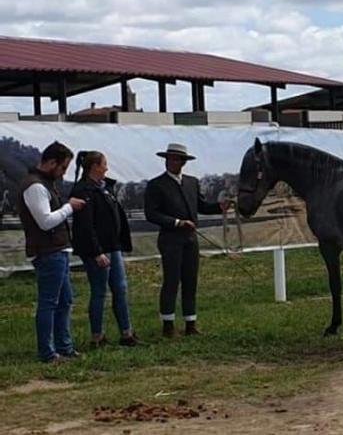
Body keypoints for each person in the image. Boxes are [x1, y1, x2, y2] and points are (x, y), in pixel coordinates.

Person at [144, 143, 228, 338]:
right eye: (168, 158)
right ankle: (168, 325)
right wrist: (177, 222)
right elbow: (152, 214)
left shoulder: (192, 182)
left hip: (190, 239)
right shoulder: (156, 184)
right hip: (170, 238)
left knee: (190, 281)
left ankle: (191, 324)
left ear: (183, 162)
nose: (171, 162)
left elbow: (201, 206)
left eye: (175, 159)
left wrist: (219, 207)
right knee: (171, 281)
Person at [18, 141, 86, 363]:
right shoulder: (36, 186)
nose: (64, 172)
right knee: (49, 302)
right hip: (47, 252)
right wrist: (69, 207)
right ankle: (47, 352)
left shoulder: (44, 183)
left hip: (58, 250)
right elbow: (45, 222)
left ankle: (64, 347)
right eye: (63, 167)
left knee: (65, 301)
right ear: (51, 162)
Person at [70, 151, 139, 348]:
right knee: (100, 291)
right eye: (104, 164)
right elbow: (85, 225)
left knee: (120, 288)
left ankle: (127, 333)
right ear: (94, 167)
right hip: (98, 249)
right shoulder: (83, 190)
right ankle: (97, 337)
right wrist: (97, 252)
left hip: (113, 245)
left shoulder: (105, 188)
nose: (107, 168)